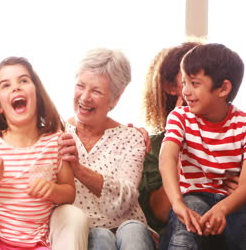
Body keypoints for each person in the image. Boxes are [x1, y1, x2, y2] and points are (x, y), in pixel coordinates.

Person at [0, 56, 75, 249]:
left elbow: (69, 192)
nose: (16, 88)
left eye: (23, 80)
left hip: (39, 242)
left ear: (37, 93)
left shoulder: (54, 142)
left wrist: (53, 191)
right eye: (5, 85)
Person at [58, 48, 155, 249]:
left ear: (115, 98)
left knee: (132, 230)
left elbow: (125, 199)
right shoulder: (55, 131)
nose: (84, 97)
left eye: (96, 91)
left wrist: (78, 169)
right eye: (80, 86)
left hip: (127, 230)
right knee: (101, 237)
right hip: (81, 232)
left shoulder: (131, 137)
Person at [159, 43, 246, 250]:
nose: (186, 92)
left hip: (232, 201)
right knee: (188, 219)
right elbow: (167, 158)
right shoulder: (180, 117)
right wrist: (177, 203)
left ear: (223, 88)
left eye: (194, 83)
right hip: (193, 195)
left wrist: (223, 208)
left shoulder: (242, 125)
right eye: (184, 83)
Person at [139, 42, 200, 236]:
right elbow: (162, 211)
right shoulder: (152, 147)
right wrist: (181, 140)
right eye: (189, 80)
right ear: (171, 87)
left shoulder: (235, 132)